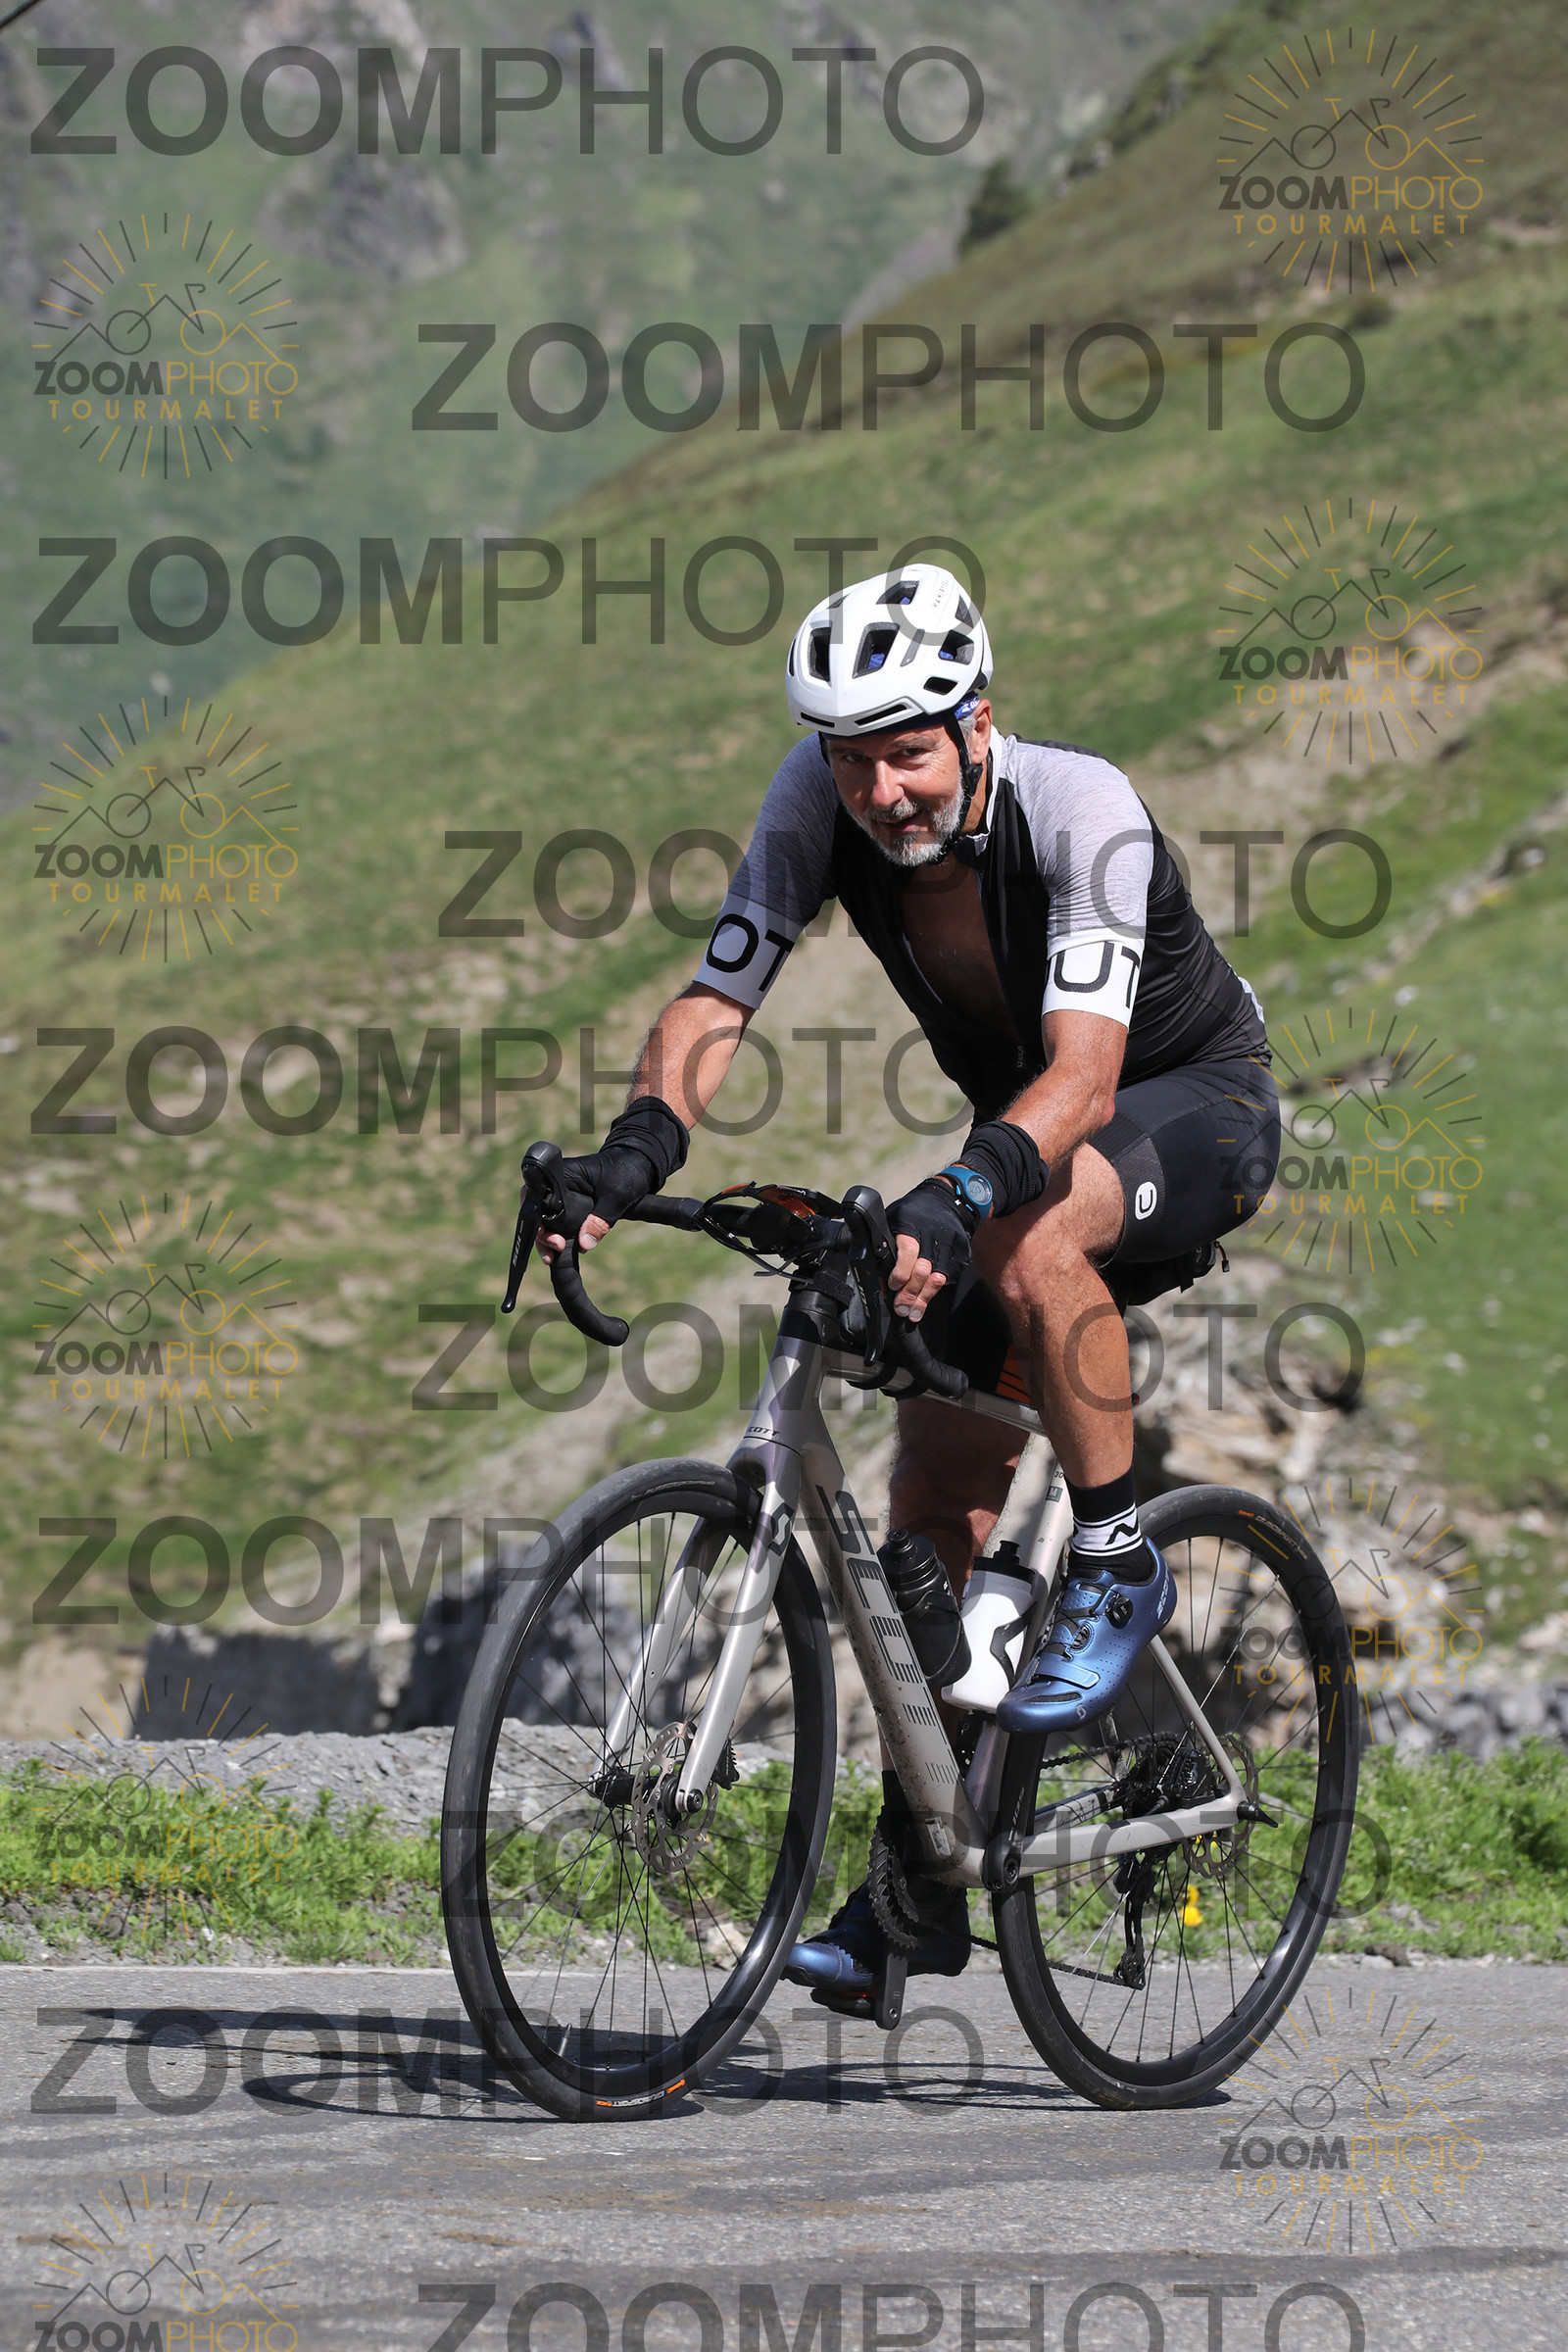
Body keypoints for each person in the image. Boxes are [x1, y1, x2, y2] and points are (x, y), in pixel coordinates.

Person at [537, 562, 1281, 2004]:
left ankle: (1115, 1554)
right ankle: (920, 1885)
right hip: (1026, 1138)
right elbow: (718, 992)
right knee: (930, 1510)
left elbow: (1085, 1076)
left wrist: (964, 1190)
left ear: (976, 725)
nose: (880, 792)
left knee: (1017, 1241)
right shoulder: (813, 802)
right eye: (852, 760)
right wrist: (633, 1152)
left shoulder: (1083, 810)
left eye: (908, 754)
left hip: (1193, 1106)